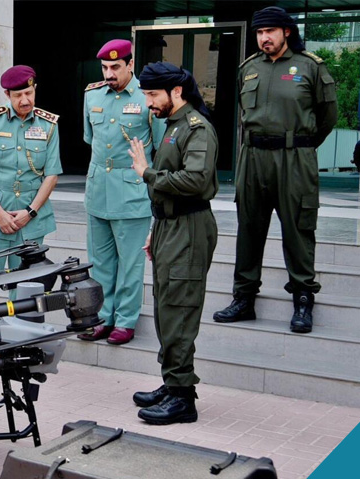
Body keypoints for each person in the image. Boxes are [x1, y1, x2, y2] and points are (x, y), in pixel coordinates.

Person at [213, 7, 337, 334]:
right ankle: (243, 298)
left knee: (298, 230)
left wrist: (299, 143)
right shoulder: (248, 68)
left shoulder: (310, 67)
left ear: (286, 32)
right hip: (252, 158)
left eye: (270, 31)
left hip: (294, 159)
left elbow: (328, 117)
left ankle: (302, 299)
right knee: (248, 229)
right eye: (259, 32)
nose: (264, 38)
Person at [128, 62, 218, 425]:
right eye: (146, 94)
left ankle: (183, 400)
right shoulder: (174, 127)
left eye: (152, 94)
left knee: (179, 310)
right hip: (170, 225)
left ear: (176, 92)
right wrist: (157, 225)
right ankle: (173, 382)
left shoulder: (197, 129)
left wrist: (146, 172)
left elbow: (195, 180)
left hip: (189, 228)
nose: (148, 102)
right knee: (166, 309)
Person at [77, 39, 164, 345]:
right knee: (100, 262)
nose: (110, 73)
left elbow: (159, 145)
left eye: (116, 66)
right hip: (99, 188)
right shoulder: (92, 95)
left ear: (130, 64)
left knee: (130, 263)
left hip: (132, 191)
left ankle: (126, 320)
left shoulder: (146, 97)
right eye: (105, 67)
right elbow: (91, 138)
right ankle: (102, 317)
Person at [0, 65, 62, 307]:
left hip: (32, 222)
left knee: (28, 292)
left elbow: (51, 175)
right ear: (7, 95)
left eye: (29, 93)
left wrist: (30, 212)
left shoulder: (49, 125)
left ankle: (22, 341)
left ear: (35, 89)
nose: (25, 100)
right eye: (18, 95)